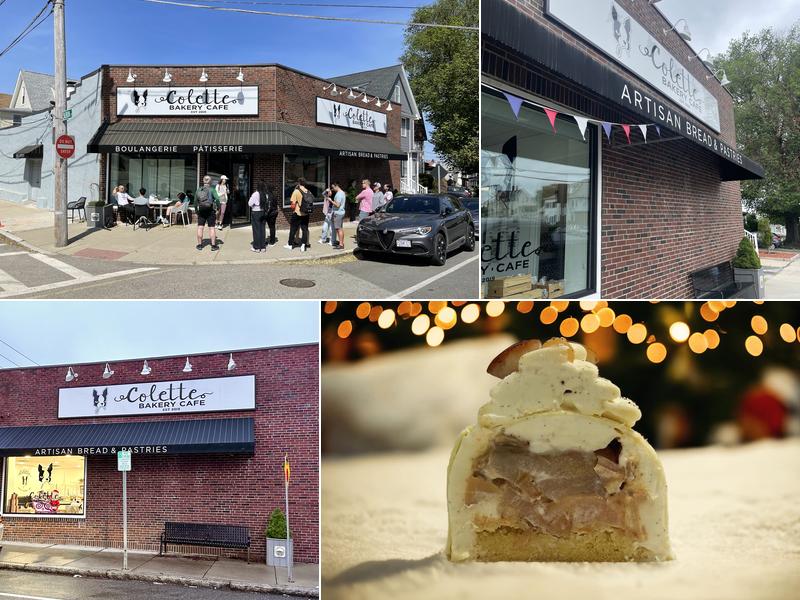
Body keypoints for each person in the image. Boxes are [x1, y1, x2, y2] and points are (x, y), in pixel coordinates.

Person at [194, 175, 220, 251]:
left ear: (203, 181)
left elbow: (195, 202)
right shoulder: (212, 190)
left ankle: (199, 245)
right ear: (210, 182)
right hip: (210, 210)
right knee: (211, 228)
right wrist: (218, 208)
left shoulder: (199, 190)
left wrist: (196, 210)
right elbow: (217, 199)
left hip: (201, 210)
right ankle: (213, 246)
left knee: (200, 227)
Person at [285, 177, 311, 251]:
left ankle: (290, 245)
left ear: (299, 183)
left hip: (297, 213)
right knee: (304, 229)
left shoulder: (296, 191)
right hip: (306, 213)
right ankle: (303, 246)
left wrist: (293, 209)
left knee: (293, 229)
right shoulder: (308, 191)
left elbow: (293, 205)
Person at [248, 182, 268, 252]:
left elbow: (249, 203)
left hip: (256, 212)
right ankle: (263, 247)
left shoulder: (255, 194)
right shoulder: (265, 194)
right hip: (263, 212)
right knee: (262, 229)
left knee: (256, 230)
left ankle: (256, 247)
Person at [331, 182, 347, 250]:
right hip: (340, 212)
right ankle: (341, 243)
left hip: (338, 213)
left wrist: (330, 200)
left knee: (339, 229)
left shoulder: (339, 194)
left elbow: (337, 205)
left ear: (336, 186)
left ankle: (341, 245)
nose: (333, 189)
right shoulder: (342, 193)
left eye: (333, 187)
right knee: (340, 228)